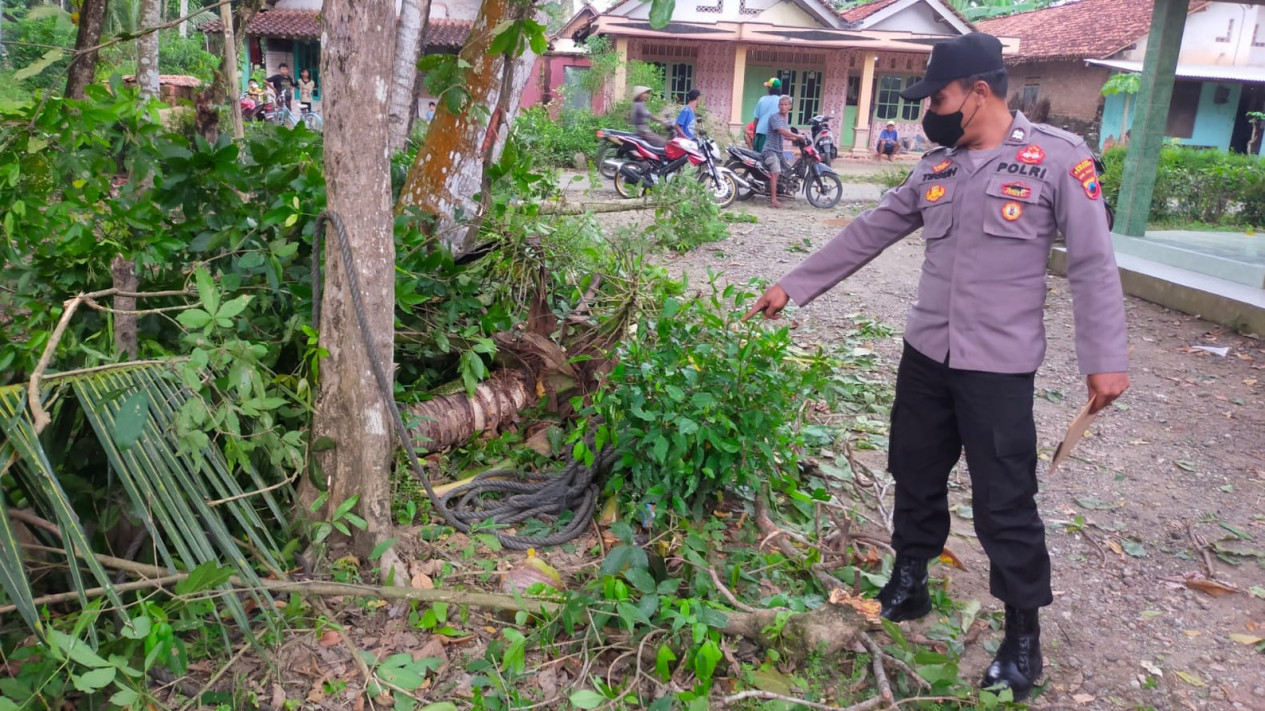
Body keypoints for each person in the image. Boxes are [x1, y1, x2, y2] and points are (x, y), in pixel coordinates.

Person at [744, 32, 1129, 701]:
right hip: (926, 355)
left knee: (1005, 501)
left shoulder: (1056, 160)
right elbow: (870, 230)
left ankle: (1022, 635)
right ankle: (910, 579)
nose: (931, 113)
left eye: (939, 99)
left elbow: (1093, 263)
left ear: (978, 92)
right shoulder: (937, 167)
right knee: (913, 470)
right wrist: (793, 285)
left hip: (998, 368)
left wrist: (1105, 360)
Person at [762, 95, 802, 209]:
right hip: (770, 150)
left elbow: (783, 135)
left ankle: (784, 191)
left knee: (787, 171)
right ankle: (773, 200)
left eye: (785, 104)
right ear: (778, 106)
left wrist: (796, 138)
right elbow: (781, 131)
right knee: (776, 172)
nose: (783, 107)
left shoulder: (785, 118)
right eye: (781, 104)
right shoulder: (774, 117)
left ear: (790, 106)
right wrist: (797, 136)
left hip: (779, 151)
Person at [753, 78, 782, 152]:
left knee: (757, 156)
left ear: (769, 89)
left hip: (759, 133)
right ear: (778, 89)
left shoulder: (762, 99)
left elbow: (756, 119)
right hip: (772, 135)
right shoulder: (781, 102)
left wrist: (754, 134)